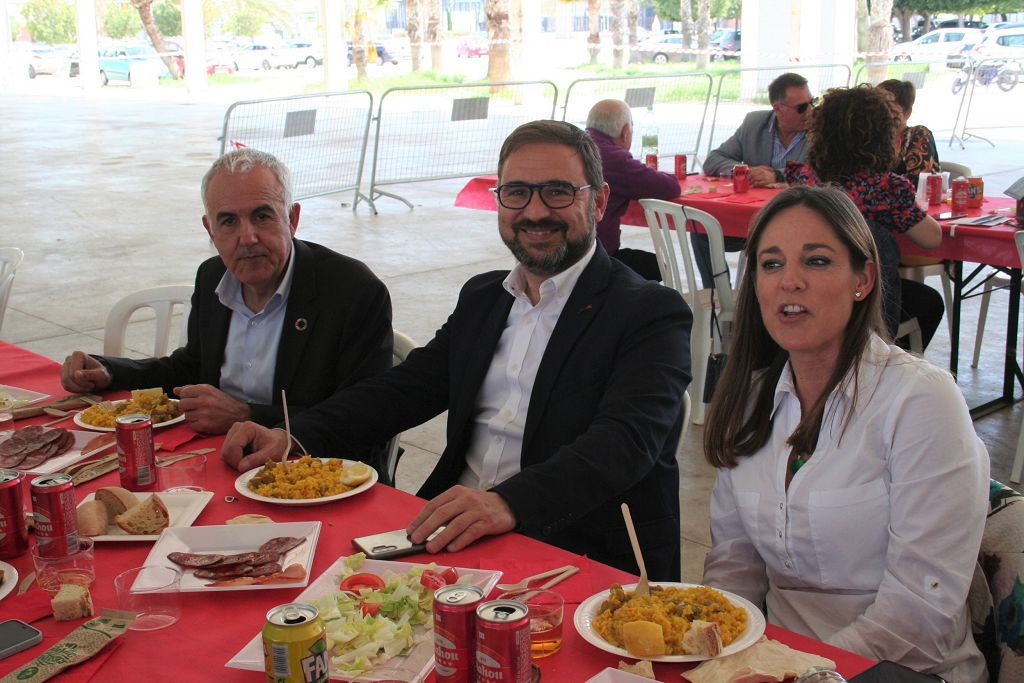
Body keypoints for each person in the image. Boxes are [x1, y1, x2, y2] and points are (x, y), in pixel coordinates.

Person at [222, 121, 693, 581]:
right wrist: (293, 435)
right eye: (517, 193)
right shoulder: (485, 298)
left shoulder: (649, 312)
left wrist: (509, 502)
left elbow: (625, 442)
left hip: (570, 547)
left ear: (600, 200)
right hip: (449, 533)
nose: (535, 211)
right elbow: (406, 389)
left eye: (558, 192)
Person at [701, 185, 988, 681]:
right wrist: (715, 649)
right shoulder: (751, 400)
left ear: (863, 278)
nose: (789, 281)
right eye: (770, 265)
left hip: (898, 669)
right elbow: (734, 563)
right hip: (773, 661)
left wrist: (796, 672)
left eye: (816, 262)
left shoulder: (919, 401)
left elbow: (921, 614)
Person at [60, 148, 393, 440]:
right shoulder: (212, 276)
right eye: (229, 222)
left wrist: (247, 416)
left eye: (262, 216)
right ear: (210, 229)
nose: (247, 237)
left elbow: (362, 414)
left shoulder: (353, 291)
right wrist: (109, 372)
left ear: (291, 219)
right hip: (218, 454)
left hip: (314, 469)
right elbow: (190, 368)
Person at [784, 85, 945, 350]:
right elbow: (932, 238)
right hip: (866, 310)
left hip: (810, 296)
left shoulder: (805, 180)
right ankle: (893, 367)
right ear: (884, 138)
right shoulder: (884, 189)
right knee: (929, 302)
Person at [695, 73, 813, 288]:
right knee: (702, 229)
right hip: (751, 221)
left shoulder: (818, 129)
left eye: (812, 103)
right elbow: (713, 160)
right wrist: (745, 171)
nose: (810, 111)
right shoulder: (754, 123)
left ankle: (764, 298)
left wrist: (778, 175)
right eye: (802, 107)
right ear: (778, 109)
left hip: (797, 222)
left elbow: (821, 172)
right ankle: (717, 299)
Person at [585, 99, 681, 281]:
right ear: (625, 132)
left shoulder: (576, 146)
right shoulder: (615, 159)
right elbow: (669, 187)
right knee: (661, 267)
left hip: (566, 251)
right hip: (597, 258)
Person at [876, 79, 940, 186]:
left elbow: (916, 182)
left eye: (889, 110)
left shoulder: (919, 135)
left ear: (907, 113)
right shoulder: (872, 137)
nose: (881, 114)